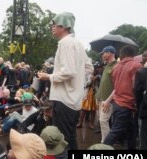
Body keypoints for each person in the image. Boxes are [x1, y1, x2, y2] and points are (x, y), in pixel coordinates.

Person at [38, 12, 93, 150]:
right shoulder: (78, 44)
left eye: (55, 25)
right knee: (71, 137)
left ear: (64, 26)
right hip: (74, 101)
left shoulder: (65, 43)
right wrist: (77, 82)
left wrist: (49, 77)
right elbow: (89, 67)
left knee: (62, 142)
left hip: (64, 100)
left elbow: (69, 71)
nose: (52, 27)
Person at [103, 45, 142, 149]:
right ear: (132, 54)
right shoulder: (136, 66)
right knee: (116, 131)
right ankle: (100, 149)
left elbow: (115, 84)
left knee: (131, 131)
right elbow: (135, 86)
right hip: (127, 103)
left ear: (123, 54)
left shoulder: (116, 67)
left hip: (118, 102)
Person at [95, 46, 117, 143]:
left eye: (104, 53)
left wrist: (108, 100)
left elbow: (117, 86)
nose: (102, 54)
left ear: (111, 53)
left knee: (103, 121)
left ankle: (106, 143)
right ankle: (104, 142)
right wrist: (98, 97)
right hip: (101, 98)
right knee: (101, 121)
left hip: (108, 100)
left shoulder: (116, 66)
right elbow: (103, 83)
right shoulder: (107, 66)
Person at [134, 49, 147, 149]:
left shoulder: (141, 72)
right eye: (143, 55)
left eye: (146, 56)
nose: (144, 58)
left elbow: (137, 93)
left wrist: (138, 108)